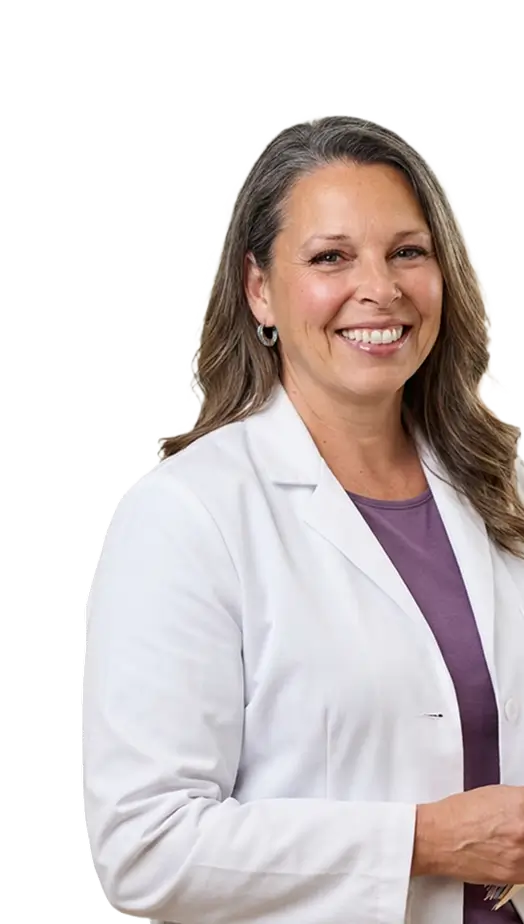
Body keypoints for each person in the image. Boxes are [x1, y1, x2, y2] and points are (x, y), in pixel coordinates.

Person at [82, 115, 524, 923]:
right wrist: (420, 842)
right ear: (259, 289)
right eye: (331, 257)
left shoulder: (499, 487)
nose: (381, 289)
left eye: (407, 252)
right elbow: (145, 847)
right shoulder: (189, 515)